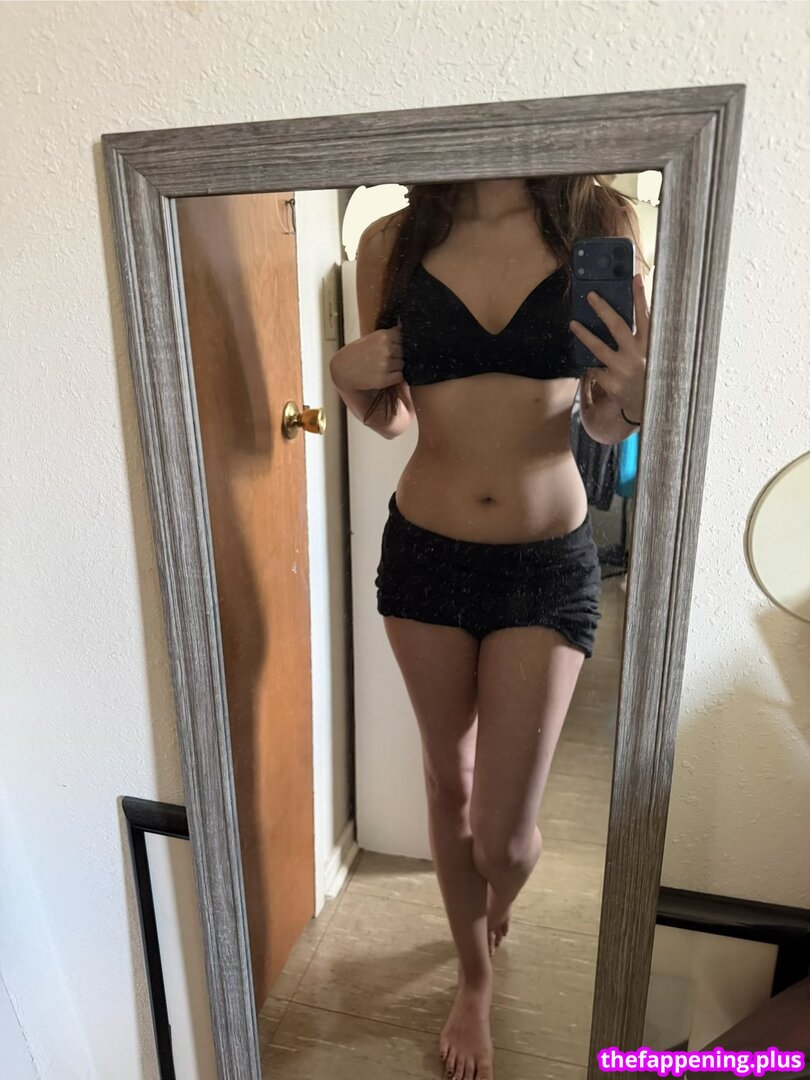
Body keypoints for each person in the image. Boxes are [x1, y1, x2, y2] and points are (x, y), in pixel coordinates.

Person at [329, 177, 650, 1080]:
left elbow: (600, 419)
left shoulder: (598, 222)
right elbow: (393, 414)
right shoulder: (391, 239)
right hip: (425, 556)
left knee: (506, 837)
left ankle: (491, 901)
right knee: (447, 783)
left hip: (546, 563)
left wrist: (633, 396)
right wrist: (347, 381)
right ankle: (473, 978)